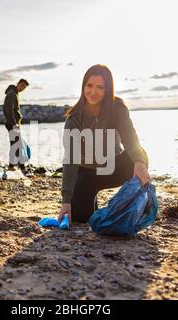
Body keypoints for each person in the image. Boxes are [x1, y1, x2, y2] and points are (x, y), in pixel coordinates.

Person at [59, 65, 150, 223]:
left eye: (100, 87)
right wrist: (66, 200)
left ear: (108, 89)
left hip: (113, 167)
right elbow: (70, 159)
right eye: (89, 86)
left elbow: (129, 136)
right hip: (87, 174)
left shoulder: (117, 108)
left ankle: (134, 204)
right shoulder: (74, 118)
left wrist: (139, 162)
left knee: (139, 155)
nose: (93, 92)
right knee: (81, 218)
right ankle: (89, 199)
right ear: (83, 86)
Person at [3, 78, 30, 173]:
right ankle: (22, 168)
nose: (22, 88)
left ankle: (11, 166)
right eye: (22, 86)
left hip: (13, 123)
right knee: (17, 145)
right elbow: (9, 110)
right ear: (18, 84)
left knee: (15, 145)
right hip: (12, 124)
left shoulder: (14, 93)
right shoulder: (12, 94)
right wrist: (14, 124)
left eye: (24, 88)